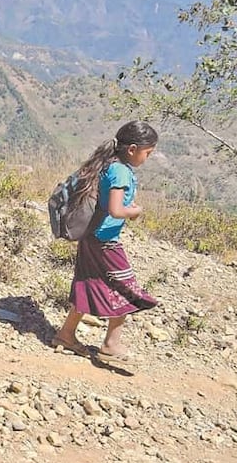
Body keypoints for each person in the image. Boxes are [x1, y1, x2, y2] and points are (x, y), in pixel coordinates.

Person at [51, 120, 160, 363]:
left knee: (87, 284)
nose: (147, 158)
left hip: (91, 237)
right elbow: (115, 209)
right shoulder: (120, 170)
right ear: (132, 149)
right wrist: (134, 211)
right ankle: (111, 344)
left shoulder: (108, 164)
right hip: (105, 241)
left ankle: (66, 335)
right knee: (125, 287)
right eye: (147, 153)